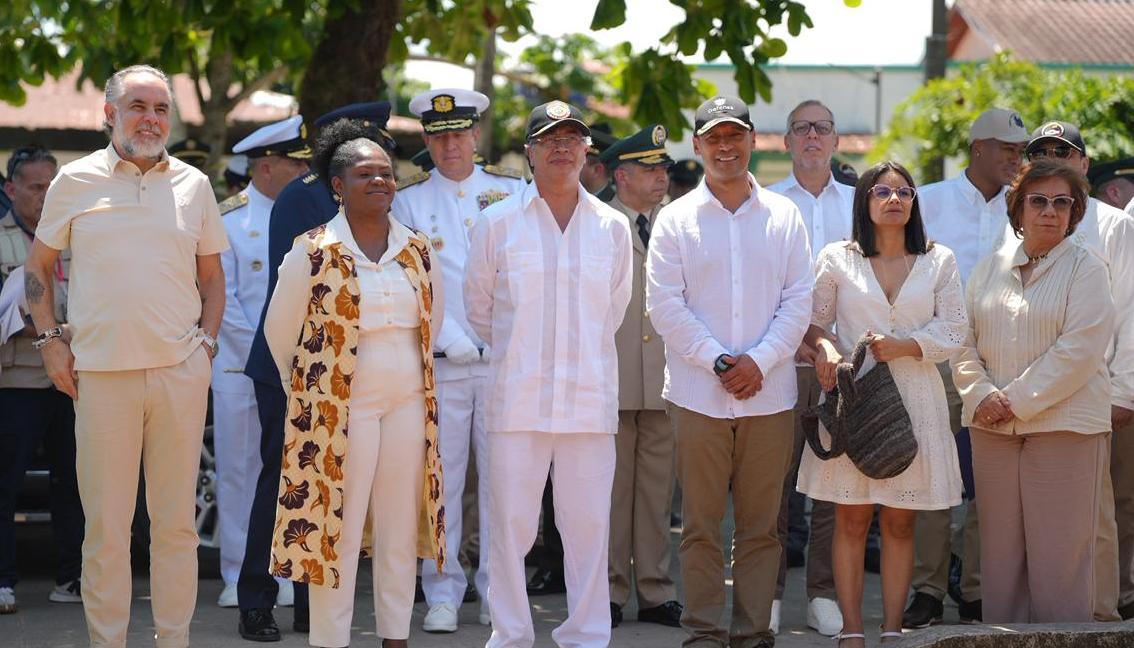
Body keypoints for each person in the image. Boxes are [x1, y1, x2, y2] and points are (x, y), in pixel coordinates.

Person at [24, 64, 227, 648]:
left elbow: (213, 279)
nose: (152, 118)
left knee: (176, 530)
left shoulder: (194, 184)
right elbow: (38, 268)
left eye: (162, 108)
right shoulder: (75, 181)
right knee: (107, 532)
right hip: (101, 379)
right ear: (109, 114)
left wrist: (205, 347)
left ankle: (174, 640)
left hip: (178, 375)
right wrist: (49, 342)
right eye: (139, 106)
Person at [264, 123, 445, 648]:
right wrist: (310, 401)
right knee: (335, 533)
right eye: (365, 174)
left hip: (407, 404)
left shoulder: (416, 250)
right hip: (340, 409)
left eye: (386, 173)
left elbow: (432, 321)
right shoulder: (313, 250)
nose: (380, 182)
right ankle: (330, 641)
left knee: (396, 531)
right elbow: (281, 335)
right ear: (337, 186)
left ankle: (395, 638)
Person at [646, 95, 813, 648]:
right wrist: (721, 361)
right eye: (713, 137)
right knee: (700, 526)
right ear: (696, 145)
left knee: (763, 527)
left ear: (752, 140)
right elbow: (665, 306)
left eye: (734, 135)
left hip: (770, 395)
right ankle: (704, 631)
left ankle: (752, 631)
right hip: (699, 394)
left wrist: (759, 361)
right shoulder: (674, 219)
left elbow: (798, 301)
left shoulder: (785, 216)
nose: (725, 146)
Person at [464, 100, 632, 648]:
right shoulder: (497, 223)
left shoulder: (611, 226)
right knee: (509, 529)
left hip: (587, 401)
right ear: (530, 151)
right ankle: (510, 634)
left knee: (587, 529)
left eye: (572, 138)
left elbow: (615, 309)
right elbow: (481, 310)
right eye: (549, 139)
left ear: (587, 151)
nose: (562, 147)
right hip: (518, 400)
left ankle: (585, 634)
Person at [237, 101, 396, 642]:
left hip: (345, 370)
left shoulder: (352, 198)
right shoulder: (303, 196)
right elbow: (300, 297)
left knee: (328, 484)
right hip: (292, 365)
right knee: (283, 481)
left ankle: (311, 606)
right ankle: (257, 600)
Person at [798, 161, 967, 646]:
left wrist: (906, 345)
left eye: (904, 192)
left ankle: (892, 630)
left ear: (914, 203)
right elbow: (811, 323)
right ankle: (852, 633)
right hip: (855, 398)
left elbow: (955, 329)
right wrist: (826, 347)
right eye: (882, 191)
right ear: (865, 201)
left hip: (917, 398)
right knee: (850, 517)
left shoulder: (940, 259)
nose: (894, 199)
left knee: (899, 519)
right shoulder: (837, 257)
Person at [953, 159, 1114, 622]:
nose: (1050, 211)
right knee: (999, 558)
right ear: (1017, 208)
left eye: (1062, 202)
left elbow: (1079, 351)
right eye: (1038, 200)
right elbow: (962, 341)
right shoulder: (988, 269)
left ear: (1075, 211)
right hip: (991, 428)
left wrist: (1013, 402)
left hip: (1064, 428)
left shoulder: (1088, 268)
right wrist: (980, 394)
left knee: (1061, 559)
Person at [392, 87, 525, 633]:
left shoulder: (513, 192)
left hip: (501, 362)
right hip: (442, 361)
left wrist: (501, 336)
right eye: (439, 136)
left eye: (459, 134)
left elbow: (522, 275)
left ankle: (499, 594)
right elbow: (406, 277)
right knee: (440, 482)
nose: (450, 146)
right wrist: (448, 334)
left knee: (503, 482)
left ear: (476, 136)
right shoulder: (408, 201)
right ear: (427, 139)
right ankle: (442, 589)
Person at [904, 107, 1030, 627]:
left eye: (1020, 151)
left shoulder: (1026, 207)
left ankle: (977, 588)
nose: (1015, 159)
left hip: (1002, 359)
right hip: (939, 356)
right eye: (1007, 149)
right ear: (978, 147)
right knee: (934, 474)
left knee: (988, 479)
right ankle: (928, 588)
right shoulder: (928, 201)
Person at [1022, 121, 1134, 622]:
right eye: (1042, 152)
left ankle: (1106, 610)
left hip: (1103, 389)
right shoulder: (1024, 225)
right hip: (1037, 392)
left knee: (1108, 511)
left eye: (1063, 152)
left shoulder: (1114, 226)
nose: (1054, 158)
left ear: (1084, 165)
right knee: (1050, 511)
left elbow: (1131, 311)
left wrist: (1125, 392)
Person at [211, 115, 311, 609]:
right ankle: (236, 573)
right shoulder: (229, 220)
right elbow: (223, 302)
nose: (303, 173)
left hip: (297, 370)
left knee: (289, 472)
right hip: (238, 367)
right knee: (239, 471)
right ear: (266, 166)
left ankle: (285, 571)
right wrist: (275, 349)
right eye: (296, 165)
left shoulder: (310, 216)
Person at [765, 99, 853, 637]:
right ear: (786, 141)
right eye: (802, 129)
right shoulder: (768, 204)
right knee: (772, 485)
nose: (812, 137)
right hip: (780, 361)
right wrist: (792, 341)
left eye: (822, 127)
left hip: (846, 366)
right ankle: (766, 595)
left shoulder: (859, 203)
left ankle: (822, 593)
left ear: (837, 139)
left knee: (831, 484)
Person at [598, 124, 682, 629]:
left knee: (656, 495)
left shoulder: (676, 224)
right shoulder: (597, 222)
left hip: (666, 379)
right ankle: (607, 591)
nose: (660, 178)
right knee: (609, 493)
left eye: (662, 169)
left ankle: (655, 590)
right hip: (612, 375)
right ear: (621, 176)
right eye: (649, 170)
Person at [0, 145, 84, 614]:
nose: (46, 194)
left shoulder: (76, 240)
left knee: (74, 481)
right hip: (19, 380)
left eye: (53, 185)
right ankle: (3, 580)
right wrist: (53, 328)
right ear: (11, 189)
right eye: (35, 186)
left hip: (72, 379)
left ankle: (71, 578)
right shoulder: (2, 239)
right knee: (6, 482)